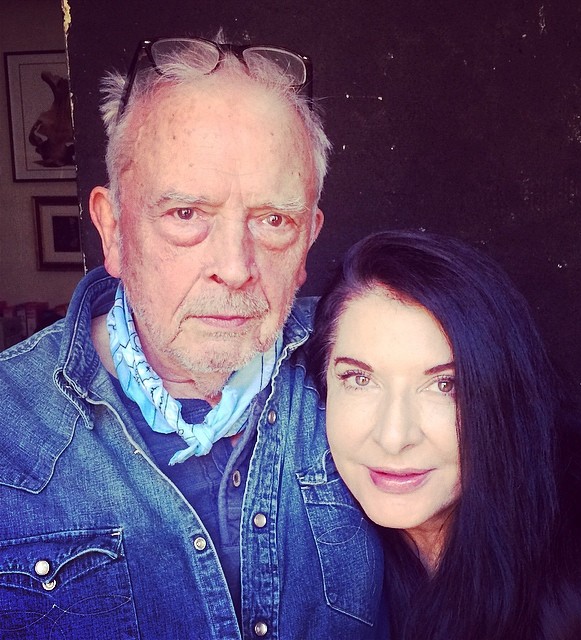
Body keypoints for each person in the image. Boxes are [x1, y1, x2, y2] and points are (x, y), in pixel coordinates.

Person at [0, 36, 387, 639]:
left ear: (309, 238)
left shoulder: (373, 368)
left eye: (273, 219)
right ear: (113, 231)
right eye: (186, 215)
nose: (234, 266)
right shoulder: (9, 427)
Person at [308, 229, 581, 640]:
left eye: (446, 385)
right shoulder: (317, 553)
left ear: (503, 394)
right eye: (359, 379)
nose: (393, 437)